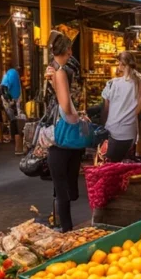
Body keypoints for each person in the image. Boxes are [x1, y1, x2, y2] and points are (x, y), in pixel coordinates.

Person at [44, 32, 84, 233]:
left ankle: (65, 227)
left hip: (60, 134)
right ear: (68, 50)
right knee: (66, 186)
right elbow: (67, 105)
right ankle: (66, 225)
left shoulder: (54, 71)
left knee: (61, 187)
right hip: (68, 131)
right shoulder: (61, 72)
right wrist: (76, 116)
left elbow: (62, 104)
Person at [100, 51, 141, 162]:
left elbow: (106, 108)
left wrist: (102, 125)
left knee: (111, 166)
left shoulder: (112, 84)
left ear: (122, 64)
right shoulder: (138, 83)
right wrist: (129, 115)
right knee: (125, 166)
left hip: (114, 130)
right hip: (130, 132)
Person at [0, 67, 22, 152]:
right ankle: (16, 137)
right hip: (11, 99)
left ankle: (15, 137)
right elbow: (3, 87)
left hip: (11, 99)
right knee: (14, 119)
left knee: (14, 118)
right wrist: (9, 99)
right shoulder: (13, 74)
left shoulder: (9, 74)